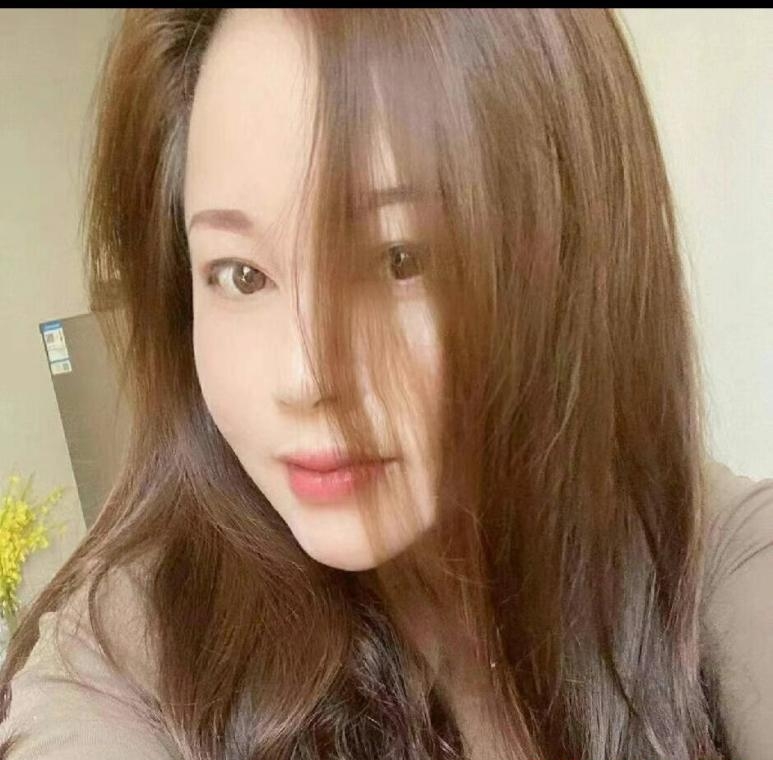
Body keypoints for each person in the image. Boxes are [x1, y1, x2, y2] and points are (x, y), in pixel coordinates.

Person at [0, 9, 770, 760]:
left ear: (569, 257)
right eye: (241, 275)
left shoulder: (704, 558)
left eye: (400, 259)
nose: (304, 377)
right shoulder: (126, 654)